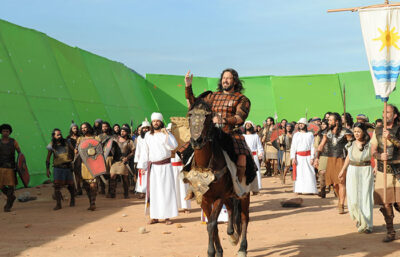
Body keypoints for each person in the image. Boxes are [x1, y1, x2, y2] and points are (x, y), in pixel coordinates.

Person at [182, 69, 255, 184]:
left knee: (243, 158)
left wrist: (223, 120)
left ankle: (239, 186)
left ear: (235, 81)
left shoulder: (242, 99)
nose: (225, 80)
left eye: (228, 78)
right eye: (224, 78)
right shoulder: (212, 96)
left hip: (231, 133)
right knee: (187, 152)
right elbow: (194, 105)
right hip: (212, 132)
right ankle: (194, 183)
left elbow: (240, 117)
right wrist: (188, 86)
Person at [137, 112, 179, 225]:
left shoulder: (167, 134)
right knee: (154, 193)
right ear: (152, 122)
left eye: (157, 121)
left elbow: (174, 146)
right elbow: (145, 152)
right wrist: (142, 166)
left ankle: (167, 217)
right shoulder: (148, 136)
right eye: (154, 121)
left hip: (166, 167)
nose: (155, 123)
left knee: (166, 192)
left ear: (161, 122)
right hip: (154, 168)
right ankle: (154, 216)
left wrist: (167, 134)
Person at [371, 104, 400, 242]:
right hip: (384, 172)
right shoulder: (377, 130)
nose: (384, 114)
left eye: (388, 112)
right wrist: (378, 156)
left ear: (394, 115)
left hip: (398, 170)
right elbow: (373, 150)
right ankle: (390, 231)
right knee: (386, 203)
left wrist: (391, 138)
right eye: (383, 111)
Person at [338, 122, 374, 233]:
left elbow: (375, 155)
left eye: (359, 131)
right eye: (355, 132)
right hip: (352, 170)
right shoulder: (351, 144)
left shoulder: (370, 144)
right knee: (353, 197)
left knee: (366, 197)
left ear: (364, 132)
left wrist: (376, 167)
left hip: (366, 170)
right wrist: (343, 170)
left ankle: (367, 225)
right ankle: (359, 219)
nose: (356, 133)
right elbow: (348, 157)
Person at [315, 113, 350, 214]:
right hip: (331, 159)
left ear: (337, 121)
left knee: (341, 182)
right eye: (328, 120)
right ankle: (340, 199)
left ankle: (342, 204)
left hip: (342, 159)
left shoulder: (345, 132)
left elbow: (351, 144)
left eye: (330, 120)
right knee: (334, 184)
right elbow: (321, 145)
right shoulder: (327, 132)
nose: (328, 122)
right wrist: (316, 157)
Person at [46, 129, 75, 210]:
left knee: (70, 185)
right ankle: (58, 204)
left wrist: (73, 160)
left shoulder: (66, 142)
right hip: (58, 168)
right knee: (57, 186)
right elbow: (48, 158)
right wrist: (47, 169)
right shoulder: (51, 145)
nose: (59, 136)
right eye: (57, 135)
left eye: (60, 134)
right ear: (54, 136)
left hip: (67, 166)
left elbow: (73, 151)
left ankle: (72, 199)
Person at [167, 123, 191, 213]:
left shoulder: (183, 143)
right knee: (173, 188)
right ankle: (174, 207)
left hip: (181, 167)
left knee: (184, 187)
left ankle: (185, 207)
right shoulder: (167, 142)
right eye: (170, 131)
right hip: (171, 168)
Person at [290, 118, 318, 194]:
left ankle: (310, 190)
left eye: (302, 123)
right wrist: (293, 157)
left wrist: (312, 157)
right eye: (299, 124)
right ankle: (299, 189)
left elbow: (312, 147)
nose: (300, 125)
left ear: (305, 125)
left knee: (309, 173)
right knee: (299, 174)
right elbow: (293, 147)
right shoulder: (296, 135)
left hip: (308, 156)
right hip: (298, 157)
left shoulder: (310, 134)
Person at [75, 122, 98, 211]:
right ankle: (90, 202)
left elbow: (100, 150)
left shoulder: (96, 138)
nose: (83, 129)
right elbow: (76, 150)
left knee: (93, 185)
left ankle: (93, 202)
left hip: (93, 164)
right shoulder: (80, 139)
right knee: (86, 185)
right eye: (82, 128)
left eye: (85, 127)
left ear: (88, 128)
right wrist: (76, 150)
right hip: (83, 165)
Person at [109, 127, 135, 199]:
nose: (122, 132)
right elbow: (109, 146)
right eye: (121, 131)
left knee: (125, 178)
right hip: (116, 160)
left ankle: (126, 193)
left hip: (124, 161)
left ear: (127, 132)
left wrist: (127, 158)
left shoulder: (130, 142)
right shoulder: (115, 140)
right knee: (112, 175)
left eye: (124, 131)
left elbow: (133, 152)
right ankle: (112, 193)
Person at [0, 124, 21, 212]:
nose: (5, 133)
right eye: (4, 131)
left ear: (9, 132)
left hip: (11, 168)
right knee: (1, 186)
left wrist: (20, 164)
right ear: (1, 132)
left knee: (11, 186)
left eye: (7, 131)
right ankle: (11, 197)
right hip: (1, 167)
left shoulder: (14, 142)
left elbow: (20, 153)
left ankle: (8, 205)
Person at [243, 121, 264, 194]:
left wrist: (260, 154)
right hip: (245, 156)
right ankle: (247, 188)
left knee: (256, 171)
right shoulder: (243, 136)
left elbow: (259, 146)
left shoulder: (256, 136)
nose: (247, 126)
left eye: (249, 125)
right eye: (246, 124)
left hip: (254, 156)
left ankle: (256, 188)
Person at [134, 120, 150, 198]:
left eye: (147, 128)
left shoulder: (152, 136)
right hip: (142, 159)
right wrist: (137, 161)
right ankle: (142, 192)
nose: (145, 130)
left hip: (151, 159)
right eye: (144, 128)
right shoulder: (139, 138)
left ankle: (149, 192)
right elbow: (138, 149)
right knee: (142, 176)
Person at [315, 119, 329, 198]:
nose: (323, 125)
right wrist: (316, 158)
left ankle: (334, 190)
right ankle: (322, 191)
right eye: (322, 124)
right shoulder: (319, 134)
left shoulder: (332, 133)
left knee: (332, 173)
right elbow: (317, 147)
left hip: (332, 155)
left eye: (324, 124)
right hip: (323, 154)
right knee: (322, 173)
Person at [98, 121, 113, 196]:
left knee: (110, 175)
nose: (104, 128)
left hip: (110, 157)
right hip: (101, 157)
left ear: (108, 127)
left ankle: (110, 190)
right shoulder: (99, 137)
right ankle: (102, 189)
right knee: (102, 174)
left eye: (105, 126)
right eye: (103, 126)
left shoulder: (112, 137)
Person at [67, 123, 82, 195]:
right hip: (73, 157)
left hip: (80, 156)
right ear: (71, 129)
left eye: (76, 128)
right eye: (74, 128)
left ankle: (79, 188)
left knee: (80, 173)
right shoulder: (68, 139)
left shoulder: (80, 137)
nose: (75, 130)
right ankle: (77, 188)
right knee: (75, 173)